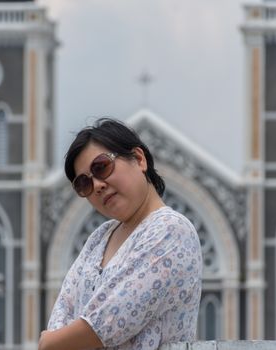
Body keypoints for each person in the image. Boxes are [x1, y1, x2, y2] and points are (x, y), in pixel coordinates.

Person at [39, 118, 202, 350]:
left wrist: (52, 342)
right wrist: (56, 339)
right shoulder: (99, 238)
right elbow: (64, 309)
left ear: (138, 159)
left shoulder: (171, 230)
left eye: (101, 167)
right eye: (84, 183)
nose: (97, 185)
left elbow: (108, 322)